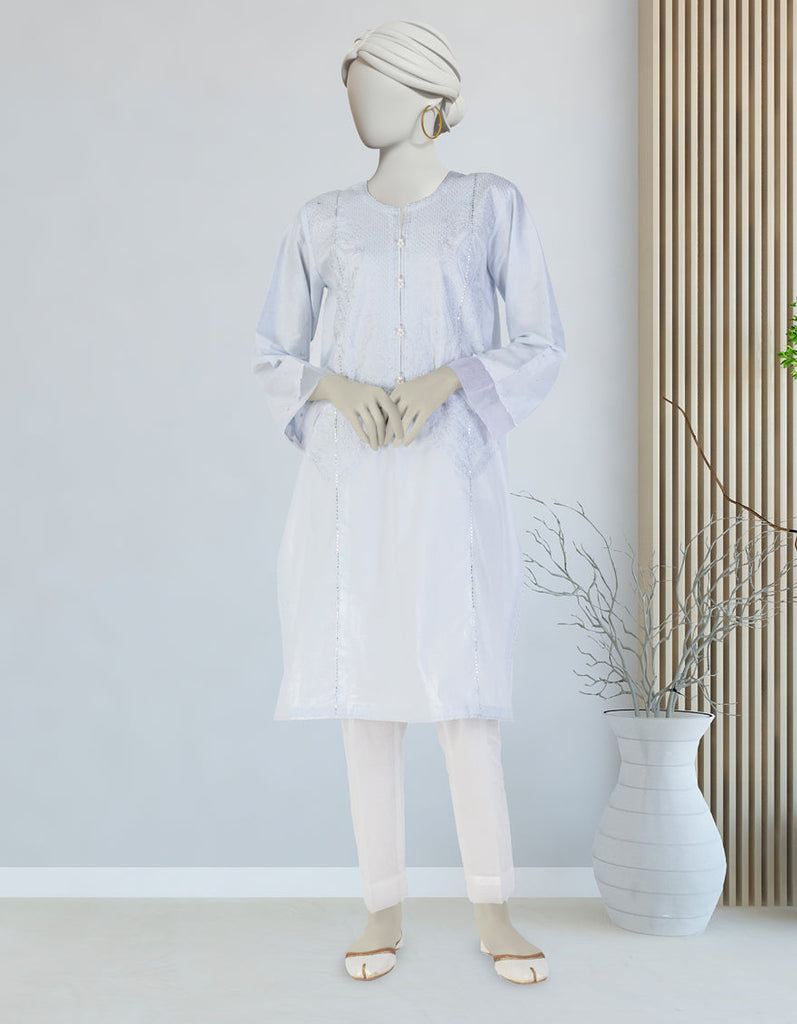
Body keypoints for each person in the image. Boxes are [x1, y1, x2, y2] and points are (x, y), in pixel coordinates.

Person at [252, 19, 566, 985]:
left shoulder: (489, 205)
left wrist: (447, 379)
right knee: (366, 697)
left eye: (376, 83)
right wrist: (338, 388)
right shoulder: (320, 221)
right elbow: (271, 353)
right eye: (352, 83)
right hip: (350, 485)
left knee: (461, 695)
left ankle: (494, 908)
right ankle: (380, 908)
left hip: (449, 480)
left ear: (428, 98)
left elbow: (540, 341)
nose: (357, 100)